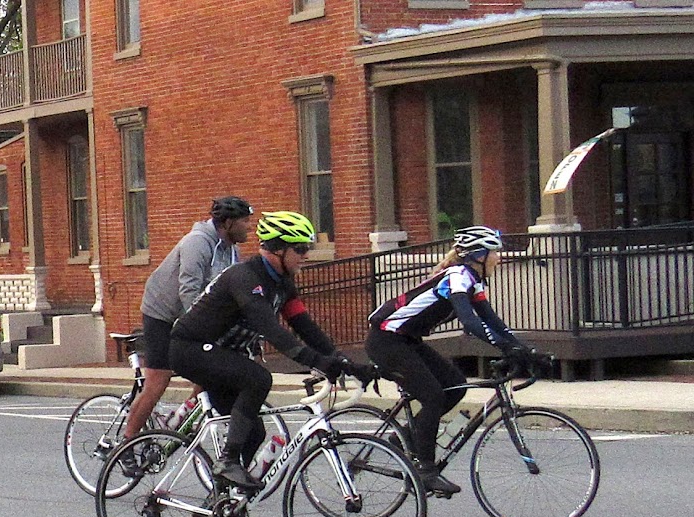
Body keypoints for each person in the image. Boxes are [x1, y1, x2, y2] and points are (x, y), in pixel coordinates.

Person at [170, 211, 371, 489]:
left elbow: (304, 326)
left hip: (220, 353)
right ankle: (227, 461)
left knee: (253, 433)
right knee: (259, 379)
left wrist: (342, 360)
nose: (306, 255)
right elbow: (272, 330)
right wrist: (316, 361)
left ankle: (224, 499)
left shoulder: (282, 283)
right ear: (278, 249)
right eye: (300, 248)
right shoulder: (245, 278)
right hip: (189, 348)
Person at [366, 225, 543, 495]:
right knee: (433, 397)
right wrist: (506, 347)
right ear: (479, 256)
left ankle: (404, 437)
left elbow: (492, 321)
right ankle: (426, 472)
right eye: (495, 252)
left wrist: (525, 350)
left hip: (407, 340)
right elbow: (470, 323)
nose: (499, 258)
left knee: (456, 386)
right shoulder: (458, 277)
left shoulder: (473, 281)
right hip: (385, 341)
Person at [124, 196, 255, 446]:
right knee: (159, 379)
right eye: (245, 221)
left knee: (210, 371)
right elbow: (189, 291)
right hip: (162, 313)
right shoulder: (197, 243)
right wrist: (204, 328)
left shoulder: (231, 251)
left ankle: (183, 418)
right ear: (228, 223)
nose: (249, 227)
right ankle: (126, 443)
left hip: (191, 315)